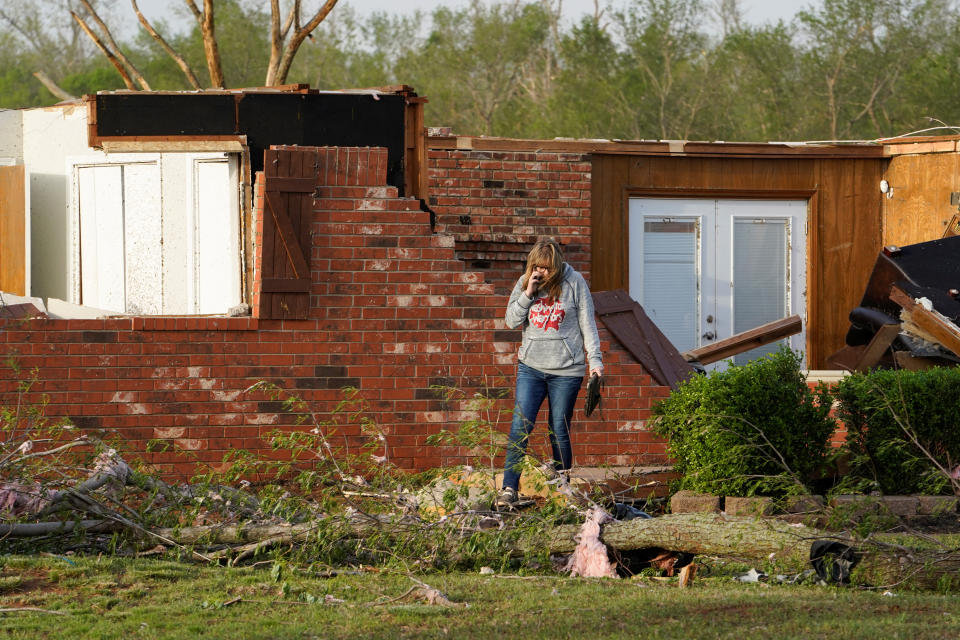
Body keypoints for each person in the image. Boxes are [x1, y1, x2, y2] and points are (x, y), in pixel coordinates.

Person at [496, 238, 603, 508]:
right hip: (531, 368)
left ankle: (563, 489)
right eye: (537, 266)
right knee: (520, 426)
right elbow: (510, 321)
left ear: (556, 266)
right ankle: (509, 488)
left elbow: (588, 324)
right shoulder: (526, 282)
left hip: (567, 371)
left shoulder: (575, 282)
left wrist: (596, 362)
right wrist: (528, 293)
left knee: (558, 429)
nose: (541, 272)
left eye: (546, 268)